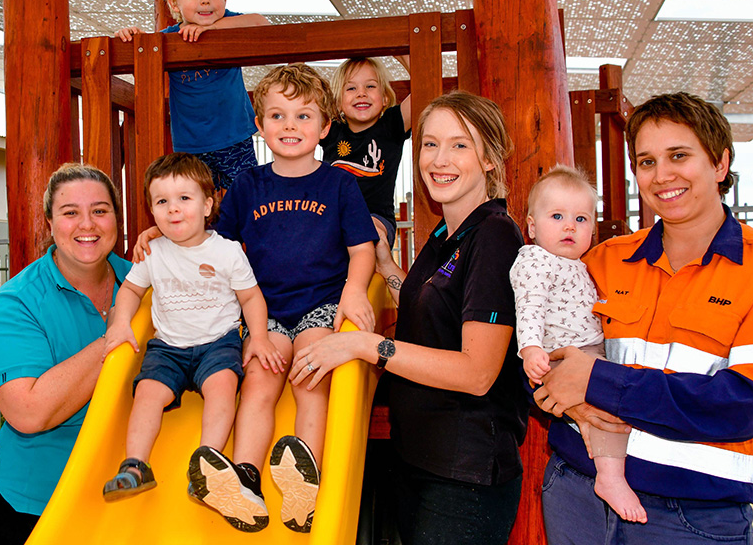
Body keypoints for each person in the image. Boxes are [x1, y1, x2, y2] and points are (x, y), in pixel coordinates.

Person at [534, 92, 753, 544]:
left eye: (678, 155)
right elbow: (537, 355)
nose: (662, 175)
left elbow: (745, 405)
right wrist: (567, 398)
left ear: (720, 164)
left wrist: (595, 382)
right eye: (646, 161)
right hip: (576, 494)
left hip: (692, 518)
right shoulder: (604, 260)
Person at [135, 63, 378, 533]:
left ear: (326, 126)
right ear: (259, 125)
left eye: (304, 116)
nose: (291, 126)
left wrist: (352, 289)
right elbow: (213, 241)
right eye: (278, 116)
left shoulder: (339, 184)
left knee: (310, 378)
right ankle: (245, 476)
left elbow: (361, 249)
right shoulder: (249, 185)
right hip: (265, 311)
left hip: (320, 303)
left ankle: (306, 479)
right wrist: (162, 231)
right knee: (260, 386)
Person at [290, 92, 527, 545]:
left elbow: (477, 372)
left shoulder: (494, 235)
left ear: (491, 158)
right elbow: (428, 311)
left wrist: (366, 346)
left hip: (463, 477)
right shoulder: (445, 232)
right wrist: (384, 264)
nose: (440, 159)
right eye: (430, 144)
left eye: (460, 145)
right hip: (416, 459)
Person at [100, 152, 276, 501]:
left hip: (218, 343)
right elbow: (132, 290)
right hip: (168, 347)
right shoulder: (153, 252)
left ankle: (207, 466)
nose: (173, 209)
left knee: (223, 387)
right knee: (147, 393)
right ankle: (135, 465)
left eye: (184, 198)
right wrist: (120, 323)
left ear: (208, 204)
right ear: (152, 210)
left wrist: (258, 338)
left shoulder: (227, 252)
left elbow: (252, 298)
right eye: (162, 201)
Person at [0, 164, 132, 545]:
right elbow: (28, 412)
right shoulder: (18, 302)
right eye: (70, 213)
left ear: (117, 218)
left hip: (128, 504)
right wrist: (115, 336)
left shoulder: (146, 284)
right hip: (38, 507)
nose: (87, 224)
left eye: (100, 210)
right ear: (49, 223)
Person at [510, 166, 645, 523]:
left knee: (600, 413)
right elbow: (530, 305)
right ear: (532, 226)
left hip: (589, 352)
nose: (570, 226)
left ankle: (604, 459)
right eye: (557, 216)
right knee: (604, 413)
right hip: (562, 354)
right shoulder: (534, 259)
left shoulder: (581, 264)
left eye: (581, 218)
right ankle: (610, 478)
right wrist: (531, 348)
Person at [115, 0, 269, 191]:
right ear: (174, 2)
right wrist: (132, 36)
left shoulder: (229, 26)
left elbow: (261, 24)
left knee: (246, 195)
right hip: (191, 146)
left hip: (235, 137)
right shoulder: (169, 39)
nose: (205, 0)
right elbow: (146, 54)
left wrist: (215, 28)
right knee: (195, 200)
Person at [321, 56, 412, 248]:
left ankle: (385, 266)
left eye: (370, 86)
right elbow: (301, 107)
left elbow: (425, 87)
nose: (361, 93)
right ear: (337, 102)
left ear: (385, 97)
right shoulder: (331, 130)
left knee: (369, 230)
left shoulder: (391, 125)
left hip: (377, 218)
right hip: (334, 219)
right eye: (351, 88)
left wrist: (401, 54)